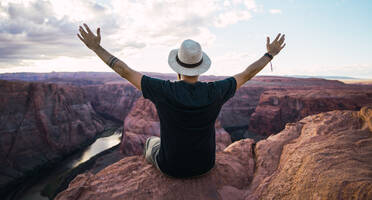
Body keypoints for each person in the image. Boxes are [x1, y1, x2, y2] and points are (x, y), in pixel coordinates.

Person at [77, 23, 286, 178]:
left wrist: (96, 48)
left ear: (177, 68)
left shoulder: (162, 90)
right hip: (206, 164)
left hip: (171, 167)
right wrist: (270, 54)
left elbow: (123, 70)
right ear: (200, 66)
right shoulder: (216, 91)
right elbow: (247, 74)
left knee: (150, 141)